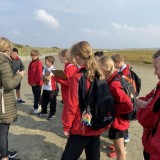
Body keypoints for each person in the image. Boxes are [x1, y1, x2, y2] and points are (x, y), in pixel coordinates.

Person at [61, 41, 109, 160]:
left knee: (68, 157)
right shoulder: (99, 74)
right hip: (96, 123)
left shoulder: (78, 77)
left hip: (81, 126)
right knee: (93, 157)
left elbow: (71, 105)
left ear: (77, 56)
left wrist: (66, 126)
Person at [98, 56, 133, 160]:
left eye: (99, 68)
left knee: (120, 150)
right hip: (121, 121)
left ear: (104, 68)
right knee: (120, 149)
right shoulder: (116, 77)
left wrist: (112, 110)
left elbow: (128, 105)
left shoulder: (114, 84)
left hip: (118, 122)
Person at [0, 37, 25, 160]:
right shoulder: (3, 61)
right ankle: (4, 156)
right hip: (3, 102)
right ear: (7, 48)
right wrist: (19, 76)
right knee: (3, 132)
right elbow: (9, 84)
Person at [137, 50, 160, 160]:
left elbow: (144, 119)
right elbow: (143, 98)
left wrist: (144, 105)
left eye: (157, 69)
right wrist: (146, 103)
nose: (155, 73)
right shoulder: (158, 86)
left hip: (153, 148)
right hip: (149, 143)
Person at [111, 53, 132, 143]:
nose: (114, 66)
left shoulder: (125, 72)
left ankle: (124, 140)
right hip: (126, 100)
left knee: (123, 122)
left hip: (124, 102)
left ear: (118, 62)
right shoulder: (125, 70)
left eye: (114, 64)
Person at [38, 56, 58, 120]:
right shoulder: (46, 68)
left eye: (46, 61)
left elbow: (48, 78)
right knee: (44, 101)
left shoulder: (53, 69)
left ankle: (52, 114)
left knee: (52, 102)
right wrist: (44, 77)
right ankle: (44, 112)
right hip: (45, 88)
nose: (45, 62)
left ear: (50, 62)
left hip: (52, 89)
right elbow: (41, 77)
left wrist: (44, 77)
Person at [28, 49, 43, 114]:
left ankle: (36, 108)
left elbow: (39, 74)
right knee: (36, 95)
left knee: (36, 96)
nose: (33, 57)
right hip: (32, 82)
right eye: (32, 55)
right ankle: (40, 104)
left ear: (37, 56)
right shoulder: (31, 63)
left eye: (35, 56)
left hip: (38, 83)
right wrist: (30, 81)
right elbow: (29, 73)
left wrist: (35, 83)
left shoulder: (39, 63)